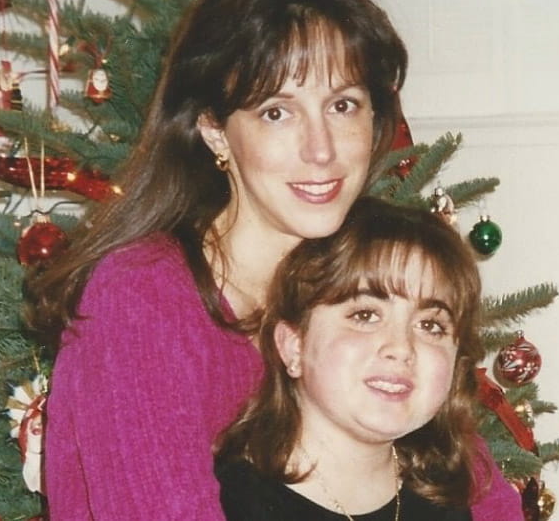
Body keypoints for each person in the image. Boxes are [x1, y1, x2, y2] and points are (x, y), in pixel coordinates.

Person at [26, 0, 518, 521]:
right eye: (277, 113)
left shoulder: (357, 271)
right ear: (214, 130)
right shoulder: (141, 298)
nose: (321, 150)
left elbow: (484, 494)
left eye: (342, 105)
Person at [215, 197, 522, 520]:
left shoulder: (456, 499)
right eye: (365, 315)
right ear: (294, 345)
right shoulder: (229, 503)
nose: (402, 347)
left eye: (430, 325)